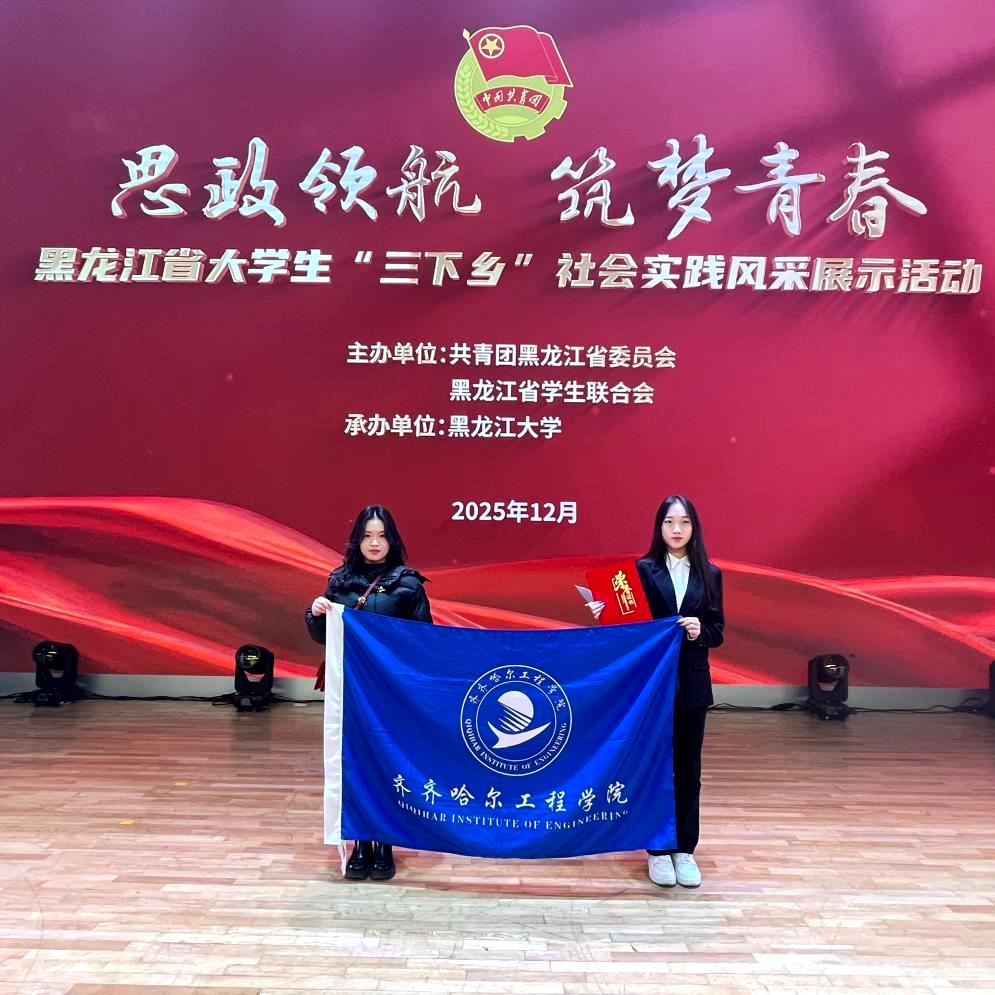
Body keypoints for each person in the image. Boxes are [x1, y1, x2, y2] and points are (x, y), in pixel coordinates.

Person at [588, 495, 724, 888]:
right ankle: (657, 849)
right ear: (658, 527)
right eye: (669, 522)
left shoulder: (711, 574)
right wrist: (604, 615)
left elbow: (718, 630)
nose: (676, 529)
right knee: (654, 765)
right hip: (650, 686)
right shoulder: (640, 571)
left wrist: (700, 630)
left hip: (691, 682)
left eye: (684, 522)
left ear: (694, 527)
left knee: (688, 768)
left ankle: (685, 848)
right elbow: (629, 629)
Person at [305, 504, 432, 882]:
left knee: (388, 762)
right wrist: (316, 614)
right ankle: (360, 840)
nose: (374, 543)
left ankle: (385, 841)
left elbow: (425, 640)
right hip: (351, 692)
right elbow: (324, 637)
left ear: (392, 540)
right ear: (357, 540)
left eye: (381, 536)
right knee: (354, 763)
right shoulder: (340, 581)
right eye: (367, 536)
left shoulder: (408, 584)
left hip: (391, 693)